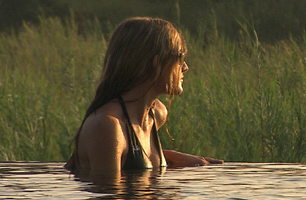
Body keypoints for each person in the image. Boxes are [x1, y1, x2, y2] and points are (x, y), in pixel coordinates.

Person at [65, 17, 222, 175]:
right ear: (156, 62)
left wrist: (175, 159)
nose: (185, 68)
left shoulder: (157, 114)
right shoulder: (107, 126)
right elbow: (110, 194)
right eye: (179, 58)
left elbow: (135, 155)